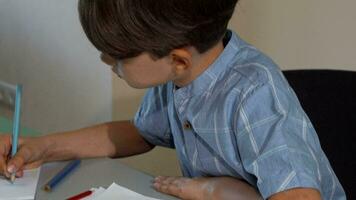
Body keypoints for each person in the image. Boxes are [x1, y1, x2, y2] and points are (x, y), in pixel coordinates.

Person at [0, 0, 346, 199]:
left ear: (178, 58)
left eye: (118, 56)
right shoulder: (182, 73)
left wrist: (220, 193)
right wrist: (41, 148)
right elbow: (139, 133)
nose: (106, 62)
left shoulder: (255, 95)